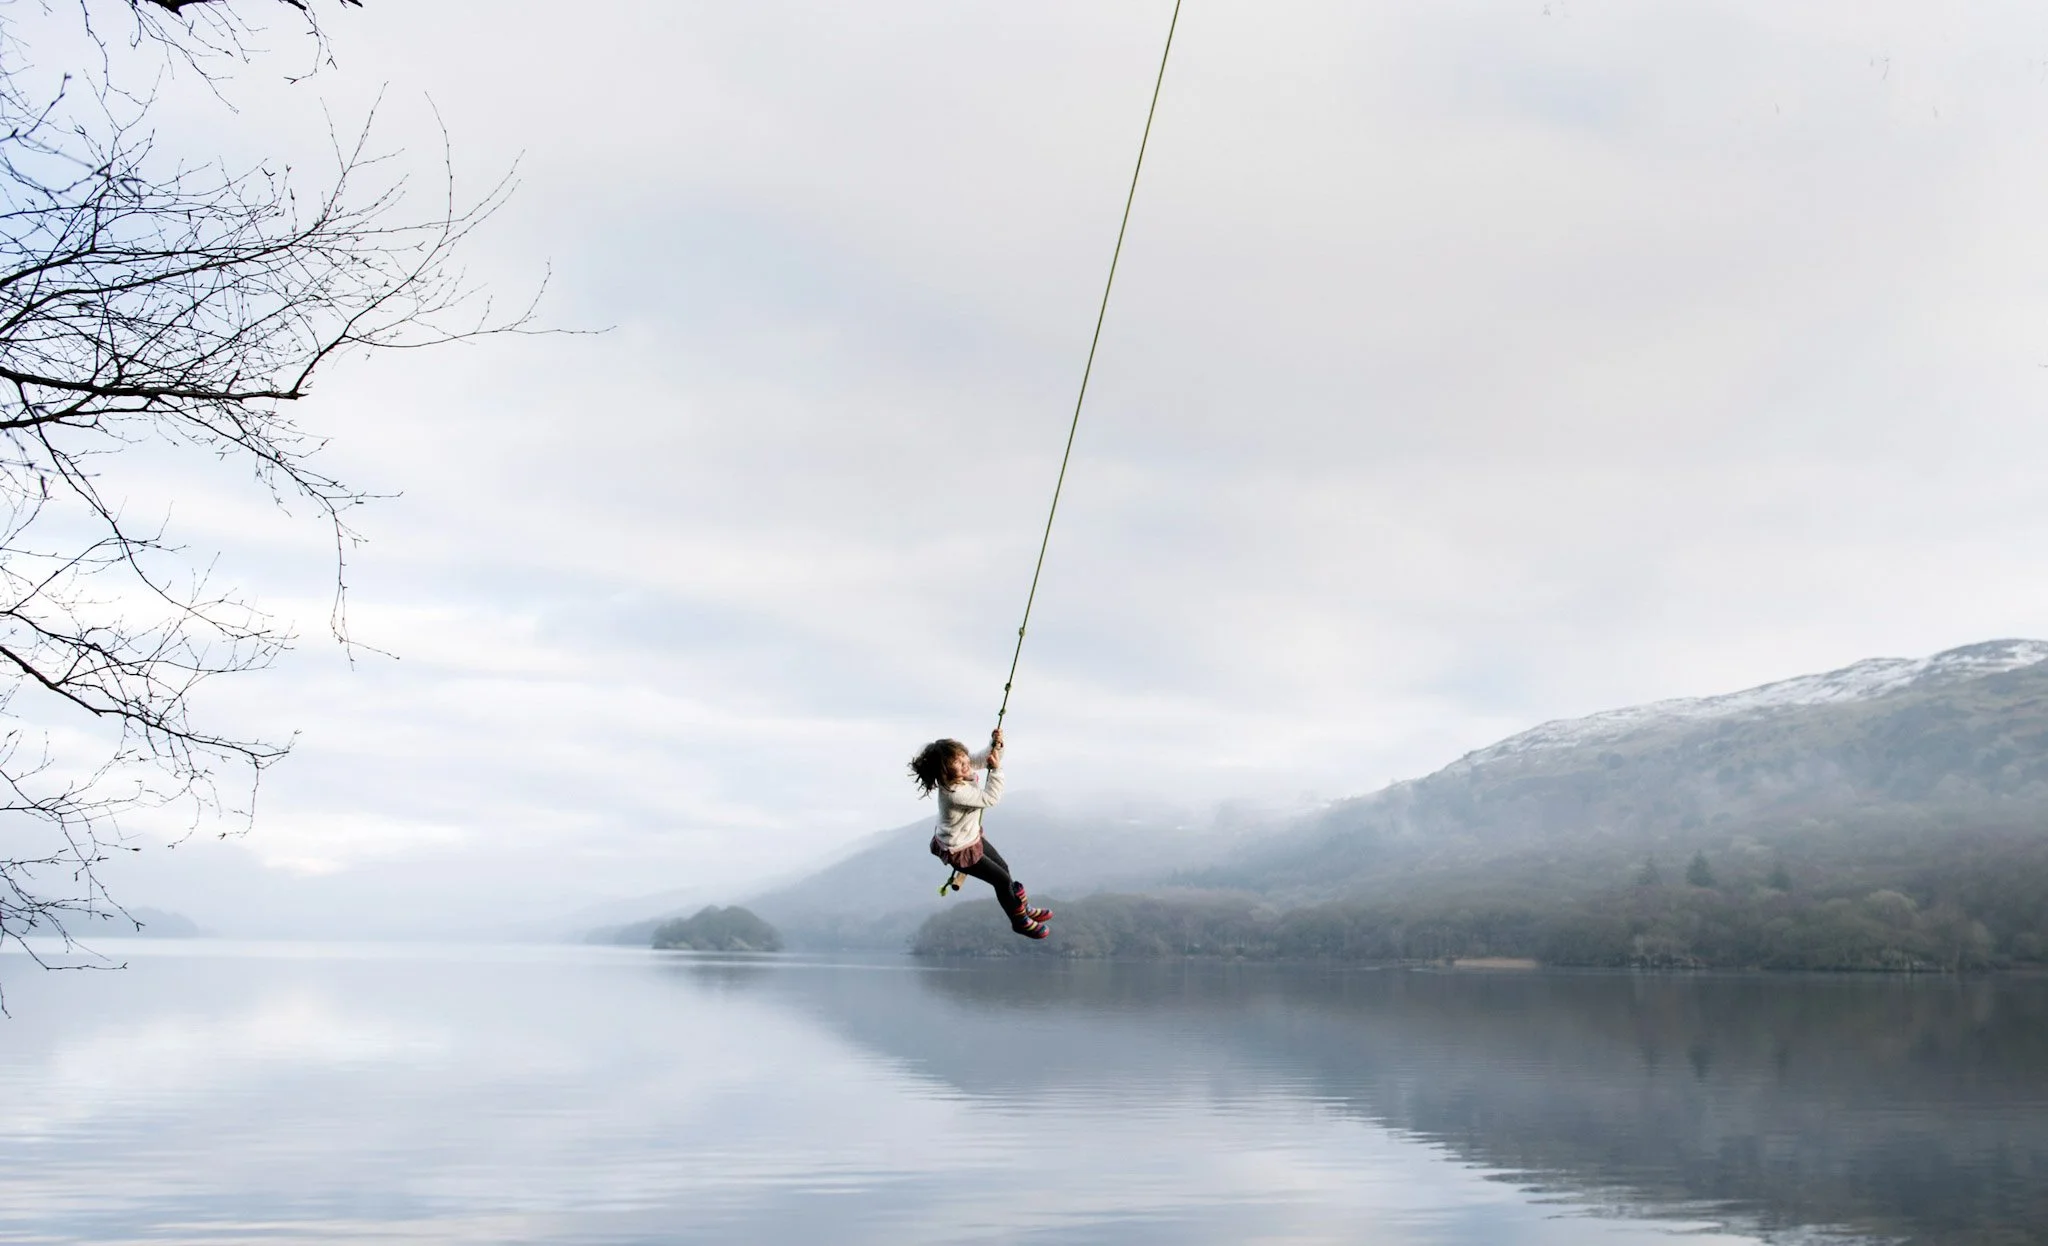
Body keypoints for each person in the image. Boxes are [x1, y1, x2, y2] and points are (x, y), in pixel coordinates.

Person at [908, 728, 1052, 939]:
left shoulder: (962, 771)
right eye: (956, 763)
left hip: (971, 837)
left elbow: (983, 759)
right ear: (945, 774)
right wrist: (996, 771)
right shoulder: (954, 792)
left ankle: (1022, 907)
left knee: (1004, 868)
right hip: (959, 848)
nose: (965, 763)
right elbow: (990, 799)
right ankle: (1019, 921)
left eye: (962, 757)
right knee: (1002, 880)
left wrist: (996, 745)